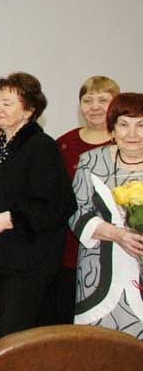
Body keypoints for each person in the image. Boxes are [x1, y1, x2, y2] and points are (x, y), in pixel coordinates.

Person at [0, 72, 75, 339]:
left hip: (28, 265)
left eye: (7, 103)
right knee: (6, 338)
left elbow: (57, 205)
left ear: (29, 110)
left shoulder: (40, 147)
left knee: (17, 340)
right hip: (0, 261)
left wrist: (7, 219)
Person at [69, 92, 143, 340]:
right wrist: (118, 234)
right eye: (124, 125)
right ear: (112, 129)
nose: (132, 134)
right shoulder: (90, 161)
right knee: (98, 357)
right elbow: (76, 213)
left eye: (141, 125)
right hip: (98, 277)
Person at [51, 76, 119, 326]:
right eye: (88, 100)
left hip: (116, 250)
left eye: (103, 100)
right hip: (68, 249)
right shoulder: (64, 144)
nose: (94, 106)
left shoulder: (127, 143)